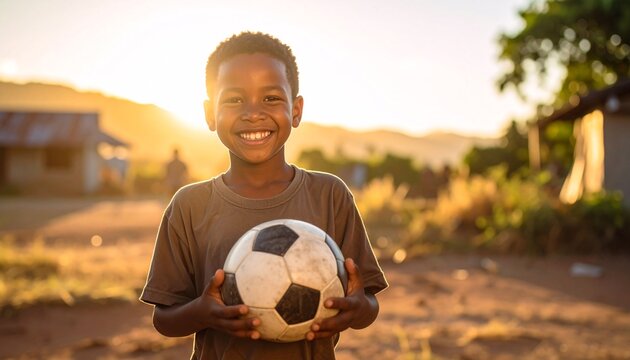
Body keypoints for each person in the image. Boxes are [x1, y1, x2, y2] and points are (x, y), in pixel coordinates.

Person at [140, 31, 388, 359]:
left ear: (296, 110)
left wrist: (358, 308)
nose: (253, 113)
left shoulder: (330, 195)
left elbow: (368, 303)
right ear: (209, 114)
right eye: (234, 99)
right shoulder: (189, 206)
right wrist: (203, 311)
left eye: (270, 98)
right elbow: (164, 319)